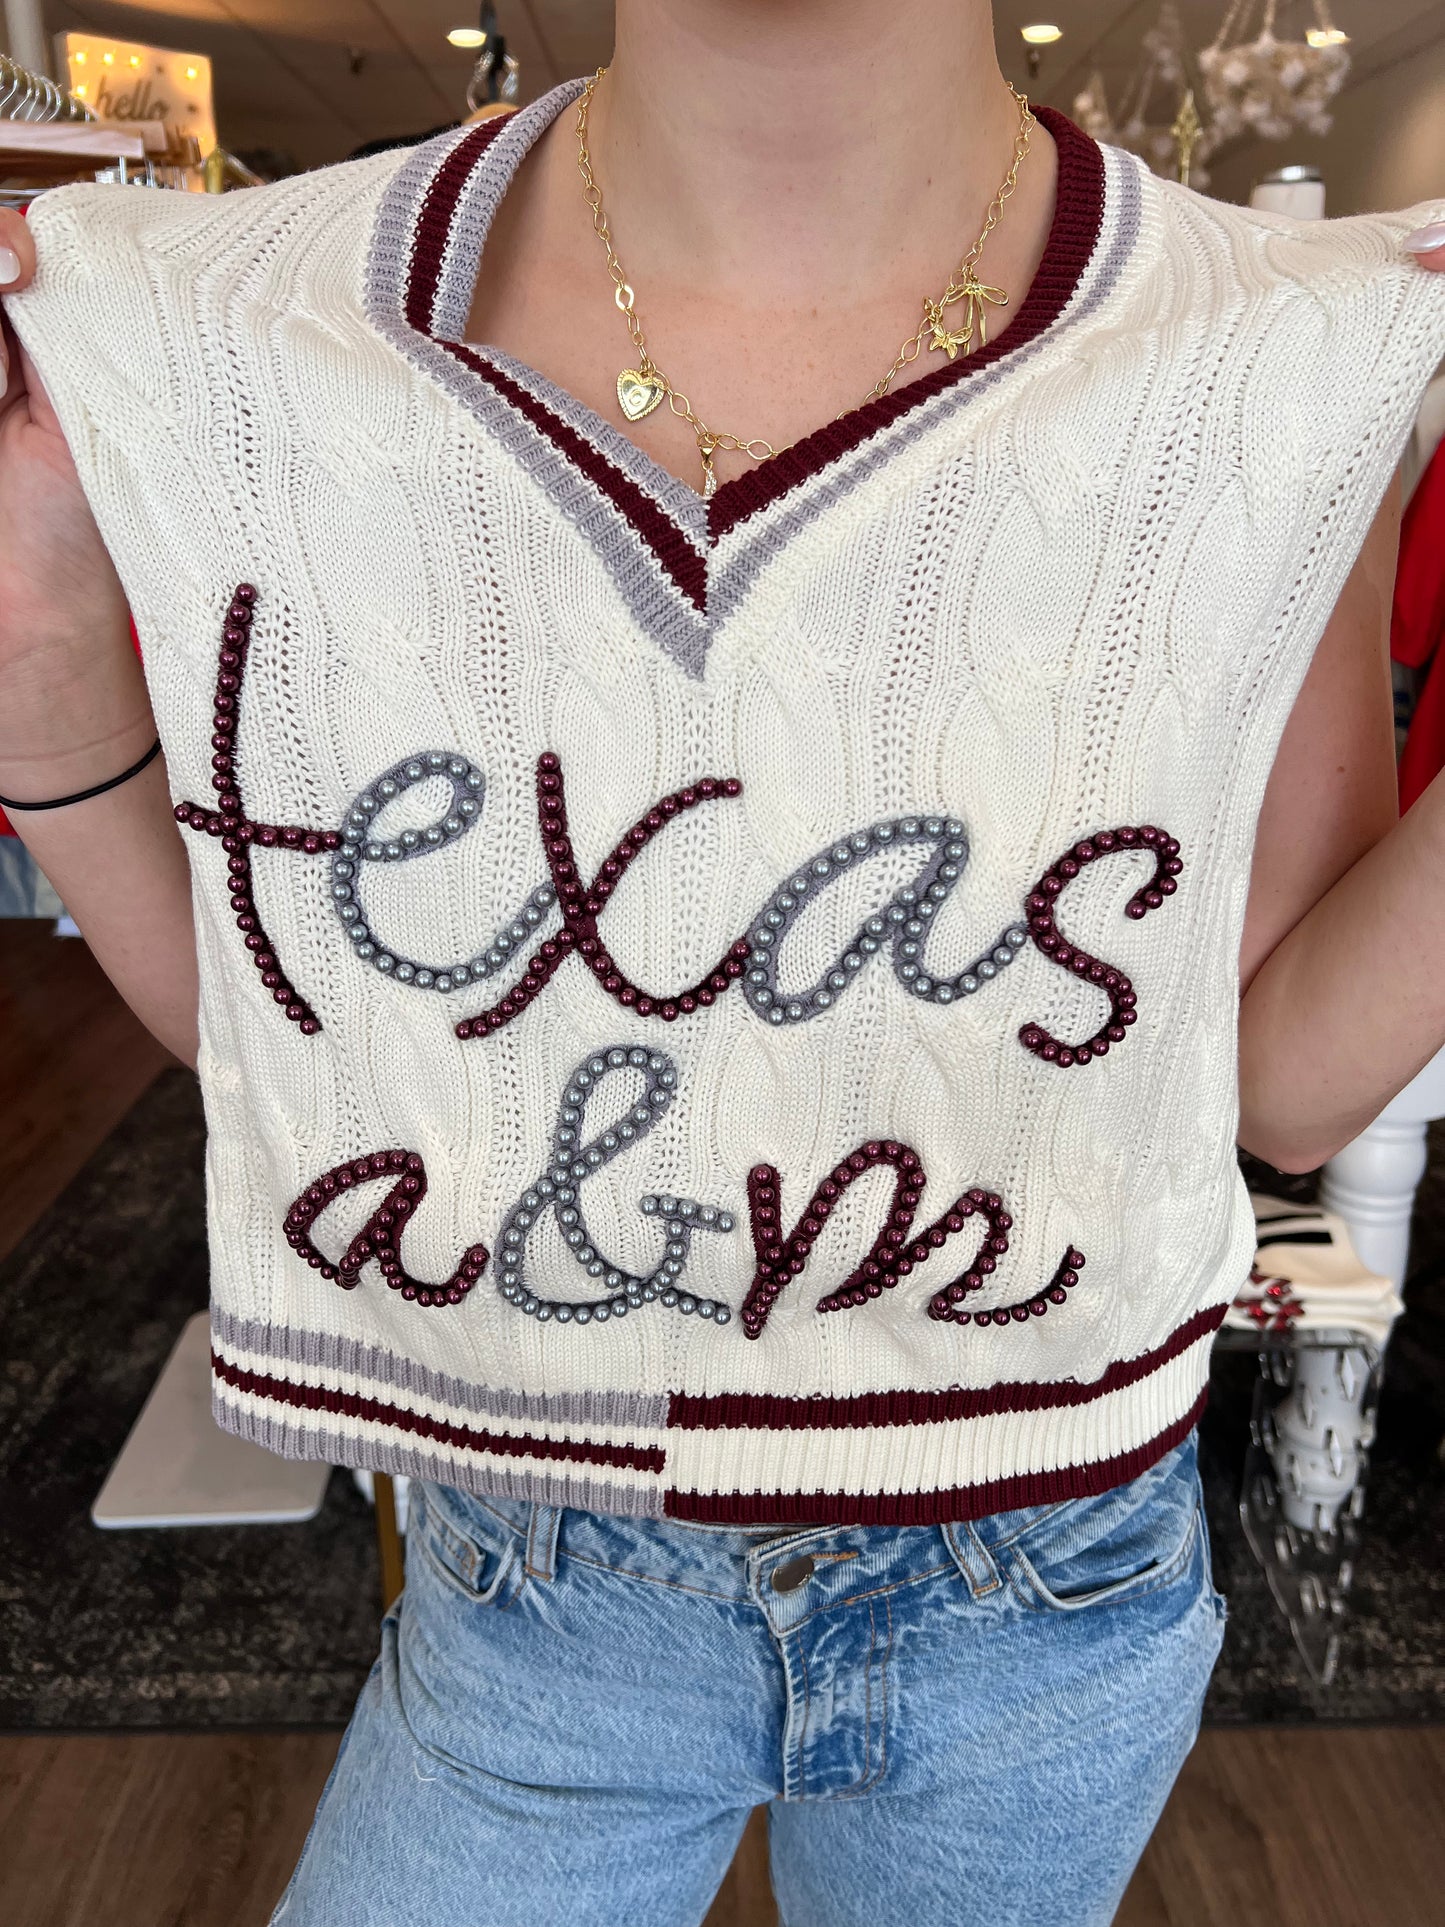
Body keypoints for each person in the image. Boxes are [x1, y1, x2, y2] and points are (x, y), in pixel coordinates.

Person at [2, 4, 1444, 1922]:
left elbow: (1266, 1080)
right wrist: (37, 666)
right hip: (538, 1575)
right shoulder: (247, 328)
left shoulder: (1265, 358)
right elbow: (318, 1047)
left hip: (1039, 1576)